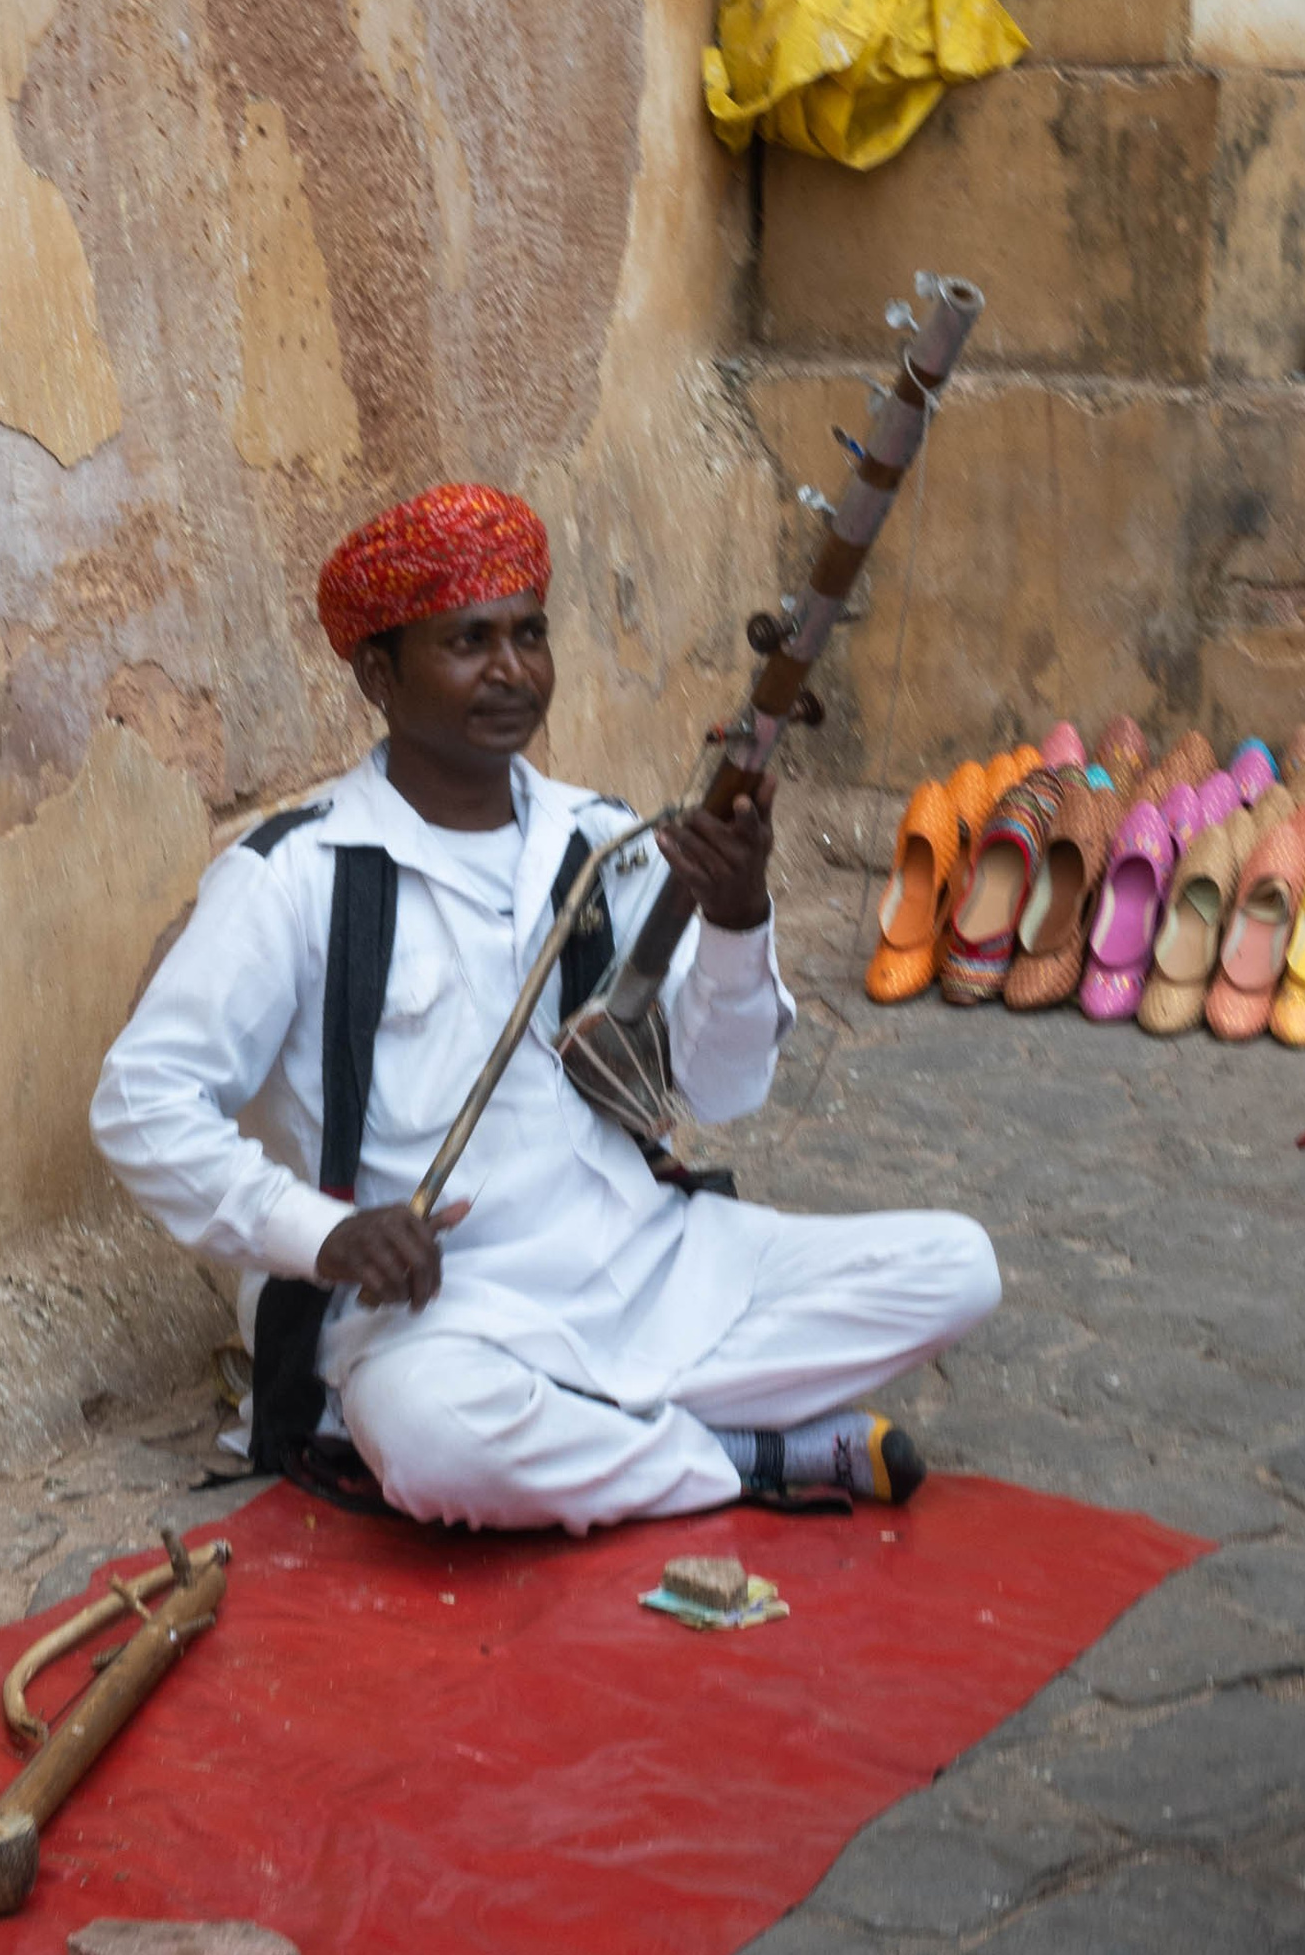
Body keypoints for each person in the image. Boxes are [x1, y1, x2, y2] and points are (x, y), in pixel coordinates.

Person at [90, 482, 1000, 1532]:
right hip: (444, 1318)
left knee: (955, 1268)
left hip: (645, 1256)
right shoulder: (295, 874)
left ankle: (615, 1435)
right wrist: (325, 1236)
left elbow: (722, 1087)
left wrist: (741, 917)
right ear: (379, 673)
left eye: (529, 634)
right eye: (467, 641)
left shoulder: (601, 840)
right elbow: (141, 1102)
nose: (511, 669)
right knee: (435, 1437)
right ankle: (742, 1455)